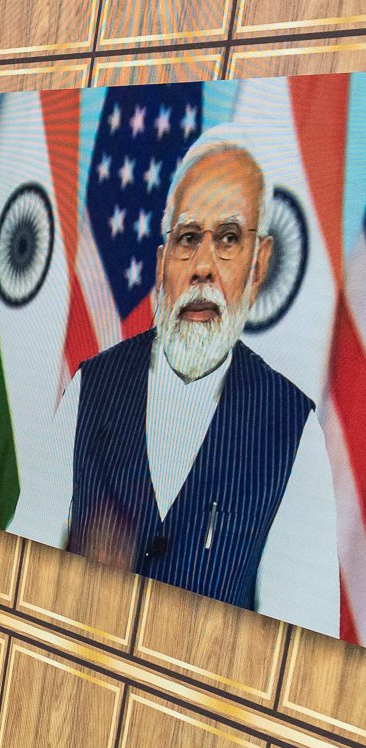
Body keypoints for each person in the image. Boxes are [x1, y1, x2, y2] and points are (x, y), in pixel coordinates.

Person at [21, 132, 336, 632]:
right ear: (162, 260)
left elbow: (296, 653)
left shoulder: (294, 433)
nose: (203, 268)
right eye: (189, 238)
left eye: (229, 239)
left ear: (259, 265)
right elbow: (21, 572)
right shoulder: (91, 387)